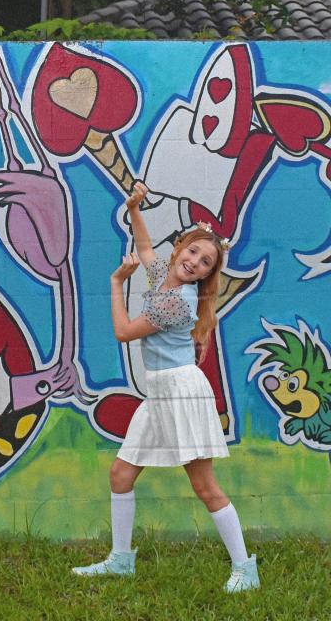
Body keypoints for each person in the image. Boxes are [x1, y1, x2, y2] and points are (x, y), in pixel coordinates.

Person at [72, 182, 259, 593]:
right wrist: (135, 208)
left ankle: (246, 567)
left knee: (204, 486)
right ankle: (121, 560)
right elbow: (145, 250)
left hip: (181, 394)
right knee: (121, 474)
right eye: (193, 251)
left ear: (209, 273)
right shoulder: (164, 278)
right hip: (158, 393)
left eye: (206, 262)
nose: (195, 262)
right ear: (180, 249)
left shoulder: (174, 301)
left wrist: (117, 284)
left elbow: (123, 332)